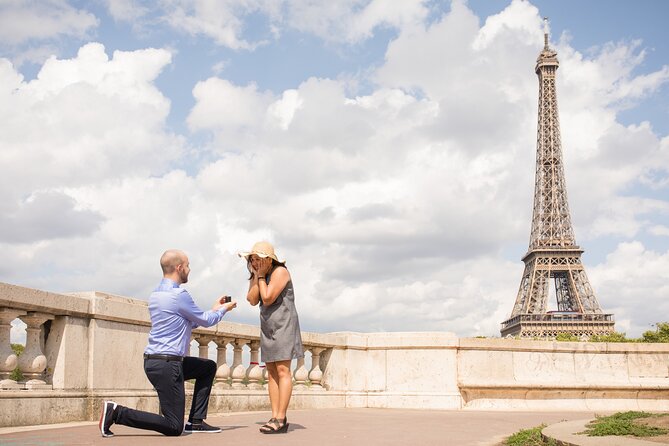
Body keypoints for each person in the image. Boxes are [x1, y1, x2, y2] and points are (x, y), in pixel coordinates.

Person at [99, 249, 237, 437]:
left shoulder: (156, 294)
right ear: (179, 267)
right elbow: (206, 321)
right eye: (187, 266)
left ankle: (196, 421)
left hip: (158, 361)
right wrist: (223, 310)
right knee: (173, 426)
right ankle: (117, 413)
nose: (189, 270)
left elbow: (190, 321)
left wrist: (214, 309)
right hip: (168, 364)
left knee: (207, 367)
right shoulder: (179, 294)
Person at [239, 241, 304, 434]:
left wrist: (259, 276)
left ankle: (281, 418)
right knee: (271, 372)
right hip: (268, 327)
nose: (254, 262)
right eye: (252, 259)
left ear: (269, 260)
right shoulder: (260, 275)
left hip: (284, 325)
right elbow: (252, 300)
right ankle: (274, 415)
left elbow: (267, 297)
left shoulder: (280, 272)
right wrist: (256, 276)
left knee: (283, 370)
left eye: (258, 259)